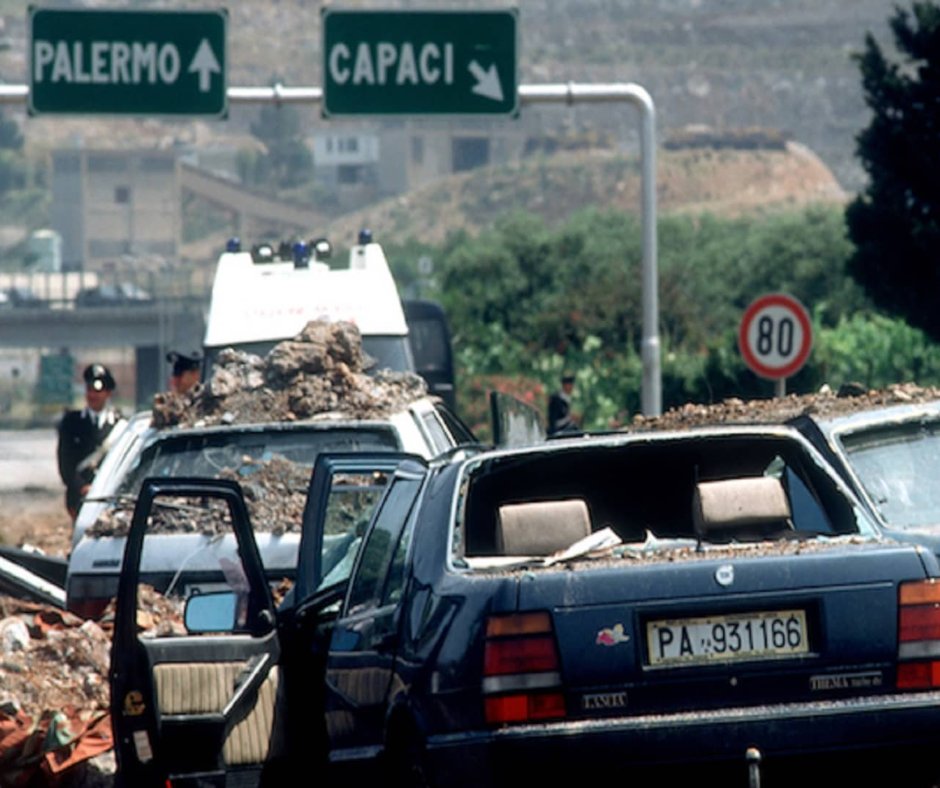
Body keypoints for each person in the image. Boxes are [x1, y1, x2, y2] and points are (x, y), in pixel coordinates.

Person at [57, 363, 123, 519]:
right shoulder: (71, 422)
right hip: (79, 497)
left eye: (97, 391)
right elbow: (65, 462)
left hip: (109, 496)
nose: (92, 395)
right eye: (89, 390)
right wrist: (82, 487)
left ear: (108, 393)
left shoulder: (119, 426)